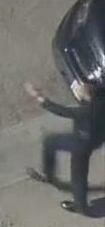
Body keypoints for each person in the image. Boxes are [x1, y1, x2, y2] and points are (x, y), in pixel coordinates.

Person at [24, 80, 105, 216]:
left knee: (52, 144)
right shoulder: (100, 103)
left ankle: (80, 206)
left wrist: (39, 97)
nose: (79, 91)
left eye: (83, 91)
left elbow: (61, 111)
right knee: (76, 171)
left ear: (90, 96)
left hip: (80, 143)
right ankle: (79, 204)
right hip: (93, 141)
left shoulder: (86, 111)